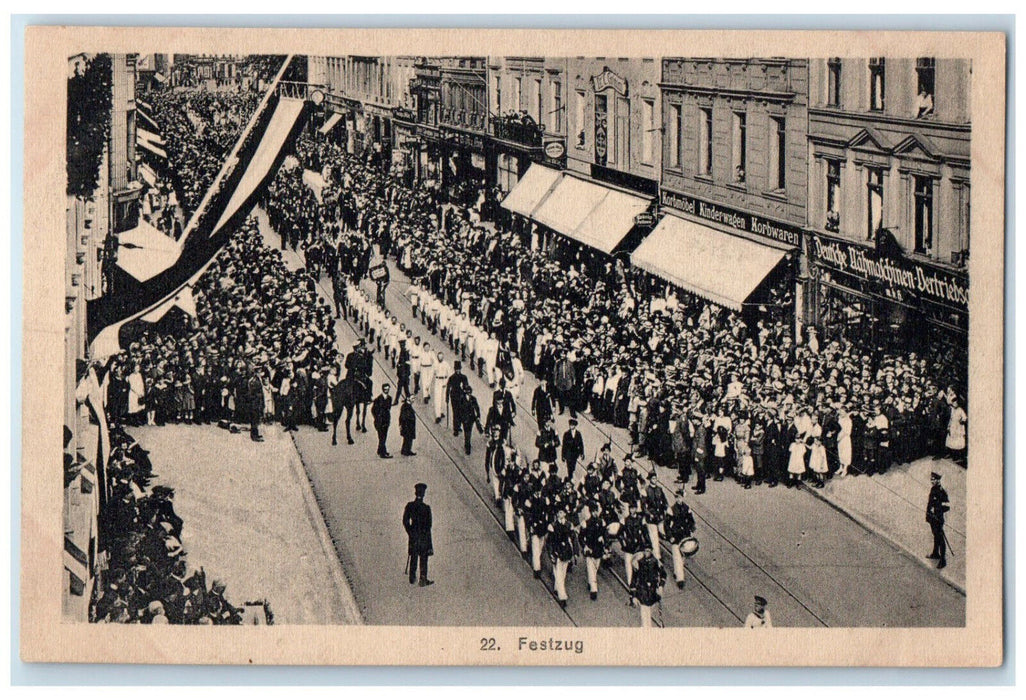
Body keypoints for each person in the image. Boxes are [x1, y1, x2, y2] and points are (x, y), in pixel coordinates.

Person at [403, 483, 434, 586]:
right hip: (424, 536)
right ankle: (423, 579)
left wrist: (410, 532)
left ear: (415, 493)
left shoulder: (410, 506)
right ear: (424, 494)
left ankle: (412, 577)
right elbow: (429, 525)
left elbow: (405, 521)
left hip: (414, 535)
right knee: (423, 558)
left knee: (414, 556)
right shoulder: (426, 508)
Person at [664, 491, 696, 589]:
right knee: (677, 558)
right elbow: (666, 524)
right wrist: (670, 536)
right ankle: (680, 579)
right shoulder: (671, 509)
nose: (679, 499)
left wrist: (692, 527)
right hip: (676, 535)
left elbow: (691, 520)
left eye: (680, 497)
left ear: (683, 498)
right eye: (677, 497)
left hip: (685, 535)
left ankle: (676, 572)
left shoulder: (687, 508)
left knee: (682, 557)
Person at [546, 508, 576, 609]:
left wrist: (575, 553)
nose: (560, 514)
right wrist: (551, 554)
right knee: (559, 573)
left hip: (566, 552)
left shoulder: (568, 525)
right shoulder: (553, 526)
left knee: (562, 573)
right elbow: (549, 542)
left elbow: (573, 539)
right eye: (559, 512)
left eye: (562, 512)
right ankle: (562, 597)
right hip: (557, 551)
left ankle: (556, 588)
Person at [631, 546, 667, 627]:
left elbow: (663, 575)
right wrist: (633, 596)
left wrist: (661, 586)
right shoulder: (638, 563)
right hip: (642, 591)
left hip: (653, 592)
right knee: (644, 616)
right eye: (645, 551)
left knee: (653, 613)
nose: (646, 552)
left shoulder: (656, 562)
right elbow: (634, 579)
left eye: (648, 551)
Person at [579, 504, 607, 601]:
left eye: (597, 511)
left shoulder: (601, 522)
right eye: (594, 511)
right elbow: (581, 537)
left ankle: (591, 582)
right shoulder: (585, 523)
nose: (596, 513)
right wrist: (584, 546)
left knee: (595, 568)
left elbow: (605, 534)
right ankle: (593, 590)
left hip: (598, 550)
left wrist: (604, 542)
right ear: (591, 512)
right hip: (590, 549)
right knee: (591, 569)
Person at [926, 471, 950, 569]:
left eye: (933, 479)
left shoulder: (942, 492)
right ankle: (935, 553)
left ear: (938, 480)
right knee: (935, 535)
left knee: (940, 538)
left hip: (938, 518)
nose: (931, 481)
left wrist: (937, 510)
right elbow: (930, 503)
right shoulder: (933, 489)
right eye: (931, 479)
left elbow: (947, 507)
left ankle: (943, 560)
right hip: (932, 518)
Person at [458, 385, 484, 455]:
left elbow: (477, 408)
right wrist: (460, 419)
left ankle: (479, 429)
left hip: (471, 418)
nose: (469, 394)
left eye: (470, 392)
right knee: (467, 433)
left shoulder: (473, 399)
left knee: (469, 431)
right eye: (467, 392)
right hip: (465, 419)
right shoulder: (461, 399)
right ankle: (467, 446)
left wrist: (478, 416)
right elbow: (459, 410)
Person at [372, 384, 394, 458]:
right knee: (382, 437)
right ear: (382, 389)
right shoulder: (378, 399)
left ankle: (380, 450)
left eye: (388, 389)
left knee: (384, 436)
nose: (386, 391)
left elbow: (388, 408)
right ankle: (383, 453)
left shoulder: (390, 398)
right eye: (385, 389)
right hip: (379, 421)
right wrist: (377, 417)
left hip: (386, 420)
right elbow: (373, 410)